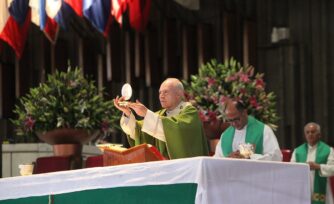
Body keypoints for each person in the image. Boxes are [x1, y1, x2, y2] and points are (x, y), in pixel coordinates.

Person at [113, 78, 209, 159]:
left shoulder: (189, 112)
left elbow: (177, 130)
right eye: (160, 93)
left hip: (186, 169)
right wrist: (127, 113)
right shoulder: (160, 114)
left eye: (166, 92)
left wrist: (146, 114)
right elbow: (137, 131)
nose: (161, 96)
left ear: (179, 94)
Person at [214, 100, 282, 161]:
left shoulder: (263, 130)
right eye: (230, 120)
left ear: (244, 113)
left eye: (236, 119)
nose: (234, 123)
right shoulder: (225, 135)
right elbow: (216, 159)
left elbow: (276, 157)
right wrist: (228, 159)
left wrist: (251, 158)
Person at [290, 122, 334, 204]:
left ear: (319, 134)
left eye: (313, 132)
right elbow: (291, 169)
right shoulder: (297, 151)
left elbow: (332, 169)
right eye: (307, 132)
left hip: (321, 188)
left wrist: (318, 167)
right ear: (305, 135)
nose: (310, 134)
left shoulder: (328, 150)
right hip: (302, 187)